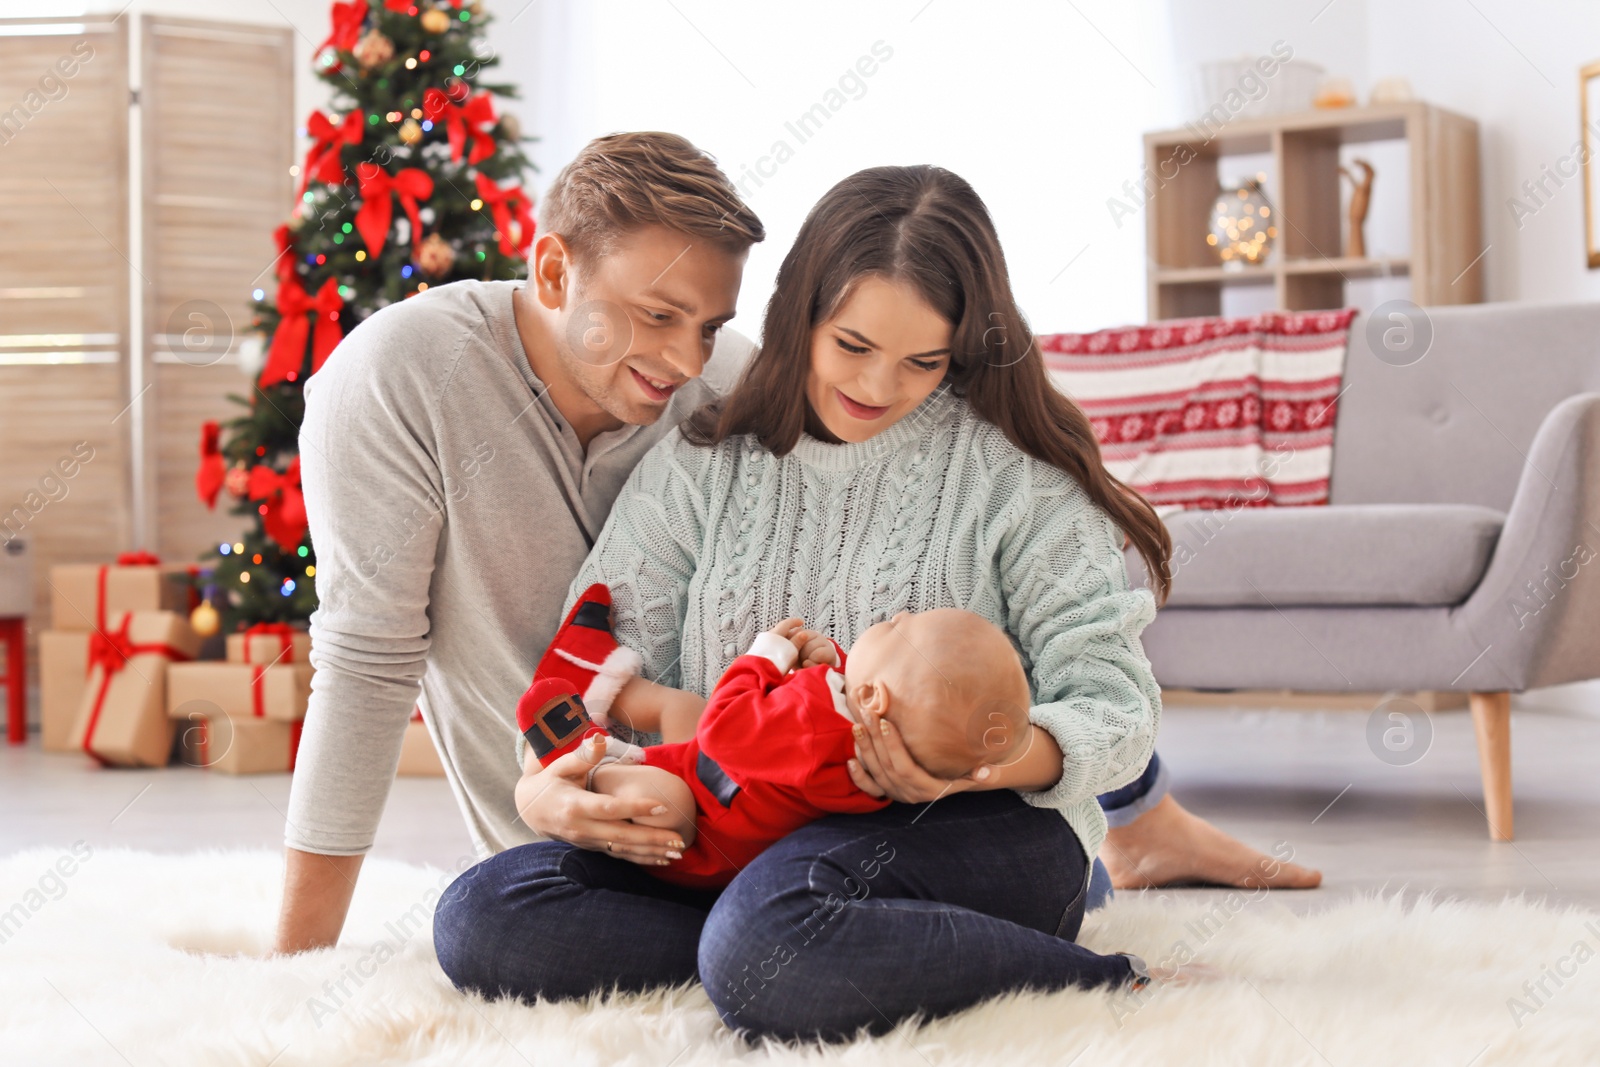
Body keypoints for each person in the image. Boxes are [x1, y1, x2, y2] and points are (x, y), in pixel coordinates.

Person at [280, 133, 1315, 959]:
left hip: (959, 830)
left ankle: (1060, 965)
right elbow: (597, 648)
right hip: (733, 837)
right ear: (801, 312)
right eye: (852, 345)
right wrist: (551, 779)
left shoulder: (1011, 479)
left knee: (773, 922)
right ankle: (802, 947)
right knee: (481, 917)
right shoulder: (708, 451)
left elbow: (1114, 706)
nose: (875, 386)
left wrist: (973, 768)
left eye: (923, 361)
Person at [519, 592, 1035, 891]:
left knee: (661, 799)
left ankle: (589, 761)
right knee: (678, 725)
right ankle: (613, 745)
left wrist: (763, 659)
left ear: (873, 697)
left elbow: (723, 729)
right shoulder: (859, 734)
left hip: (698, 820)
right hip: (724, 795)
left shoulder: (814, 722)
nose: (890, 619)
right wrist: (831, 660)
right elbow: (834, 705)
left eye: (898, 626)